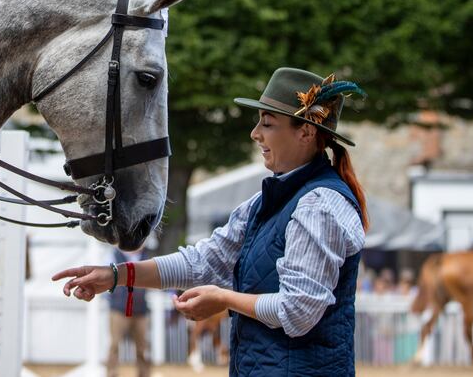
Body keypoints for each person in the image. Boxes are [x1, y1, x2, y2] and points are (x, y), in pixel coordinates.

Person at [54, 68, 369, 376]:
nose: (255, 133)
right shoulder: (266, 202)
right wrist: (115, 275)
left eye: (267, 124)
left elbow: (298, 311)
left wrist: (222, 299)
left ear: (306, 132)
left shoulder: (319, 205)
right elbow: (203, 262)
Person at [106, 246, 151, 377]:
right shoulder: (113, 255)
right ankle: (112, 373)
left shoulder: (146, 256)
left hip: (140, 310)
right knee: (114, 345)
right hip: (118, 309)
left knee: (143, 347)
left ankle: (144, 374)